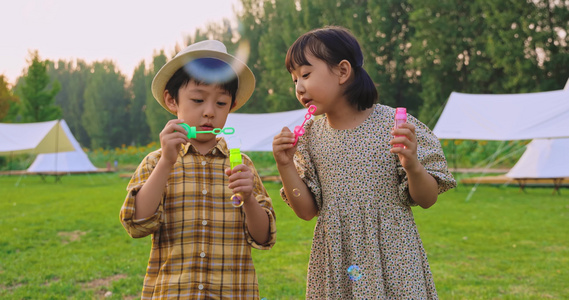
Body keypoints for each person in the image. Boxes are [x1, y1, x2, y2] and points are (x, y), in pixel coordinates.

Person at [272, 26, 456, 299]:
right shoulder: (310, 138)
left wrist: (413, 165)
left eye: (306, 74)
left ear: (343, 71)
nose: (299, 88)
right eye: (294, 80)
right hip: (338, 259)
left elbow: (427, 199)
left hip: (395, 260)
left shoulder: (394, 126)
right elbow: (306, 211)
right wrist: (285, 165)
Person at [120, 40, 276, 299]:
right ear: (172, 100)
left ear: (232, 106)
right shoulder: (155, 162)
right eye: (197, 100)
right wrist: (166, 163)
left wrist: (248, 198)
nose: (209, 113)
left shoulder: (241, 165)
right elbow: (137, 224)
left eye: (221, 103)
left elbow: (262, 238)